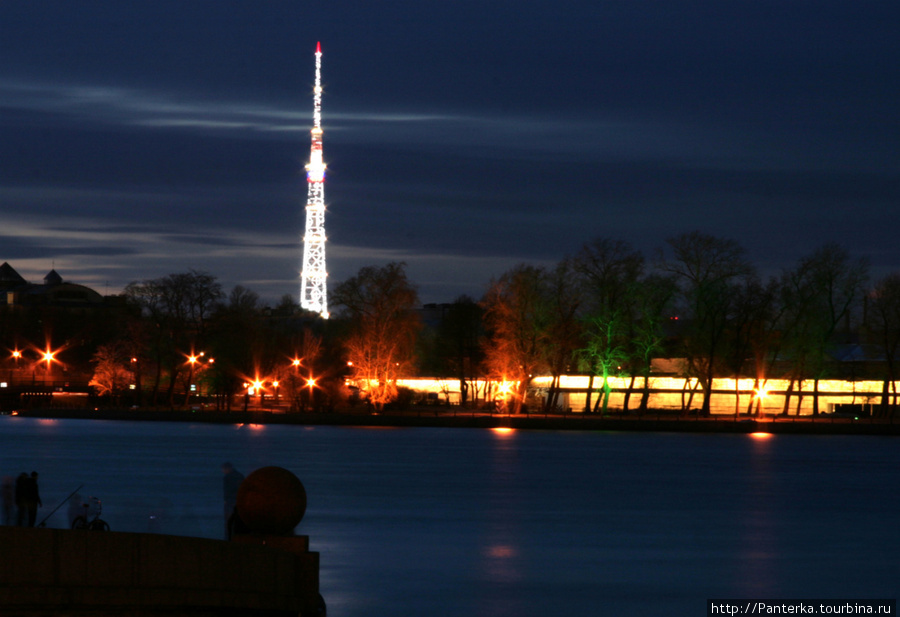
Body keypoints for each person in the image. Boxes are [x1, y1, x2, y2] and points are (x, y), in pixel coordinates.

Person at [221, 462, 244, 539]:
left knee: (229, 521)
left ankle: (229, 538)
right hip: (238, 502)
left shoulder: (228, 478)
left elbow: (227, 491)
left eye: (224, 469)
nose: (223, 471)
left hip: (230, 502)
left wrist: (226, 500)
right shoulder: (239, 476)